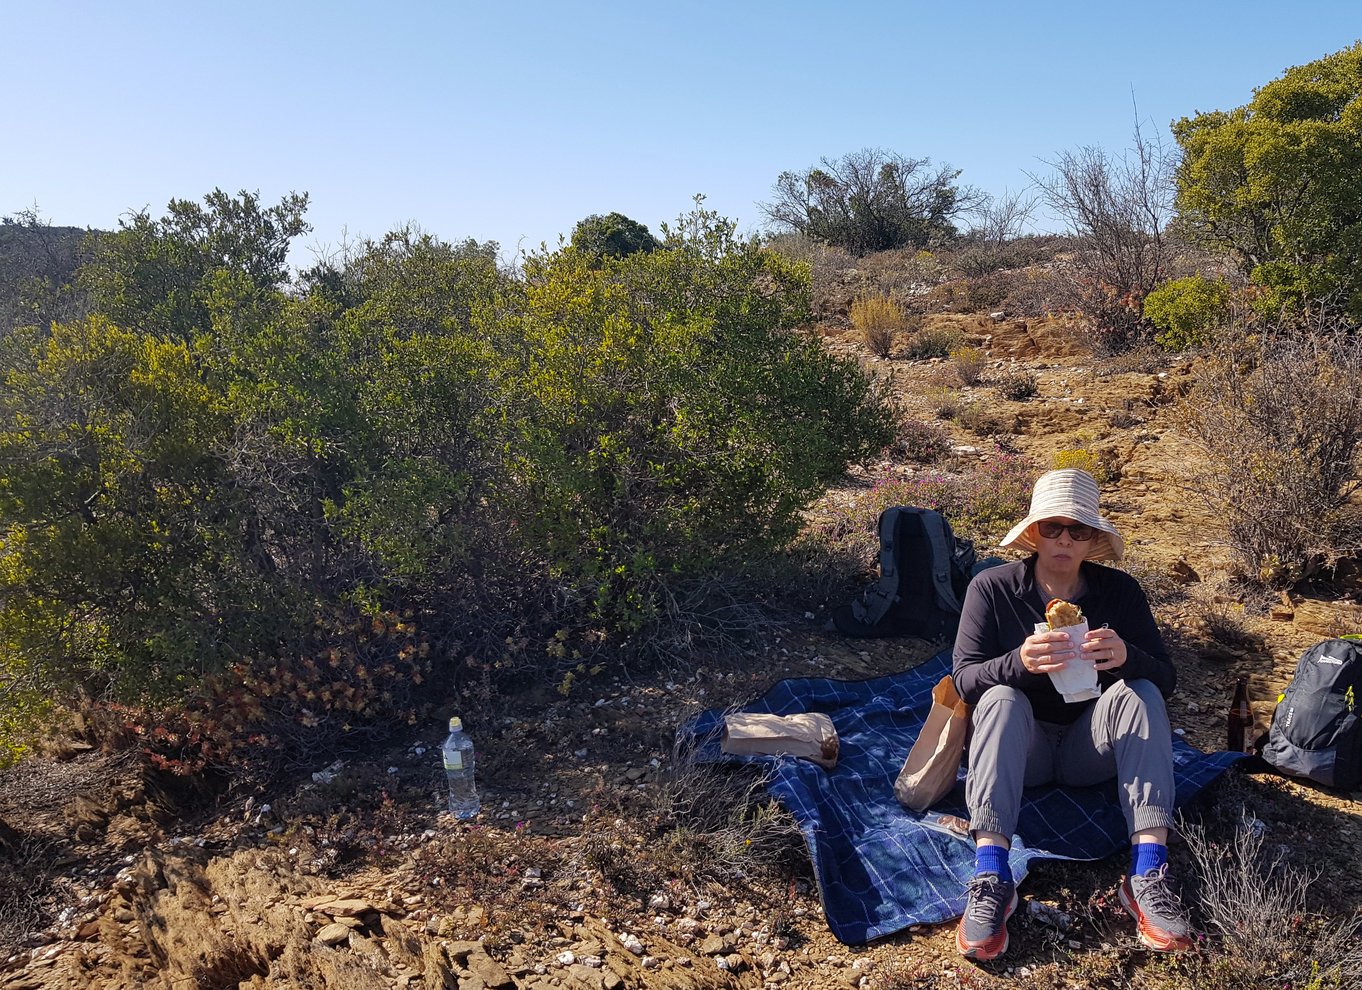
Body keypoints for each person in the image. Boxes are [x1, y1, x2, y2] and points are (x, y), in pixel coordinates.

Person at [951, 468, 1192, 961]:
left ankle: (1147, 874)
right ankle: (992, 874)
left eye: (1078, 530)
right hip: (1026, 749)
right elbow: (964, 678)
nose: (1064, 540)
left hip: (1090, 747)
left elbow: (1164, 679)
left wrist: (1128, 656)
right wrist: (1018, 662)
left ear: (1092, 539)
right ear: (1034, 532)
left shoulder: (1119, 594)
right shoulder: (993, 589)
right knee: (998, 697)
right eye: (1052, 527)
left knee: (1140, 692)